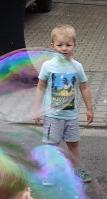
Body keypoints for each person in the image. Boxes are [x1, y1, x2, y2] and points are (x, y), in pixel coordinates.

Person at [33, 24, 95, 182]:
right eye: (60, 45)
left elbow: (84, 87)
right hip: (52, 115)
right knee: (52, 146)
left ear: (75, 45)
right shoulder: (47, 66)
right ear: (52, 46)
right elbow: (40, 88)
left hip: (71, 115)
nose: (64, 48)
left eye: (68, 45)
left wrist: (89, 108)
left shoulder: (77, 66)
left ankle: (77, 169)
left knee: (73, 144)